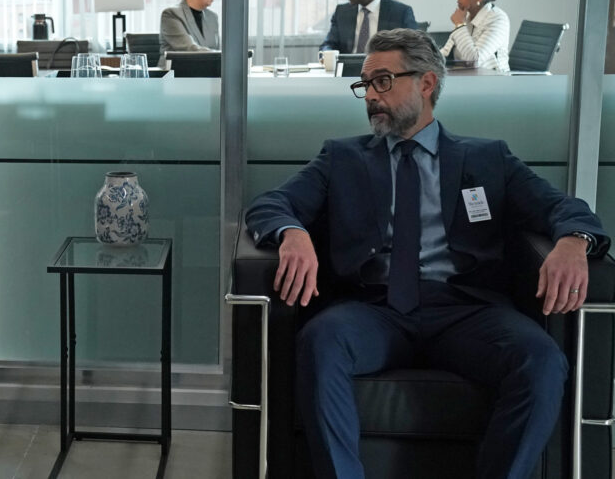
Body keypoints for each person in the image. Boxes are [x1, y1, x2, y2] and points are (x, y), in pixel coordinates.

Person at [246, 28, 608, 478]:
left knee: (543, 360)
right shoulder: (342, 158)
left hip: (466, 311)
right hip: (373, 311)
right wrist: (292, 232)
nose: (370, 96)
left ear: (427, 83)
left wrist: (573, 242)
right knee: (321, 342)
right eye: (365, 84)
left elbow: (562, 208)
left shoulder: (487, 158)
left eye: (382, 81)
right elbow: (270, 204)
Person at [440, 0, 510, 71]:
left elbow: (474, 61)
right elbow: (446, 51)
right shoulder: (467, 15)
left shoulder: (498, 19)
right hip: (465, 76)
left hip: (492, 78)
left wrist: (459, 24)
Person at [158, 0, 220, 64]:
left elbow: (217, 54)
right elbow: (190, 50)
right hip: (178, 73)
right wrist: (226, 56)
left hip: (207, 72)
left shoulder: (212, 17)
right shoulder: (171, 15)